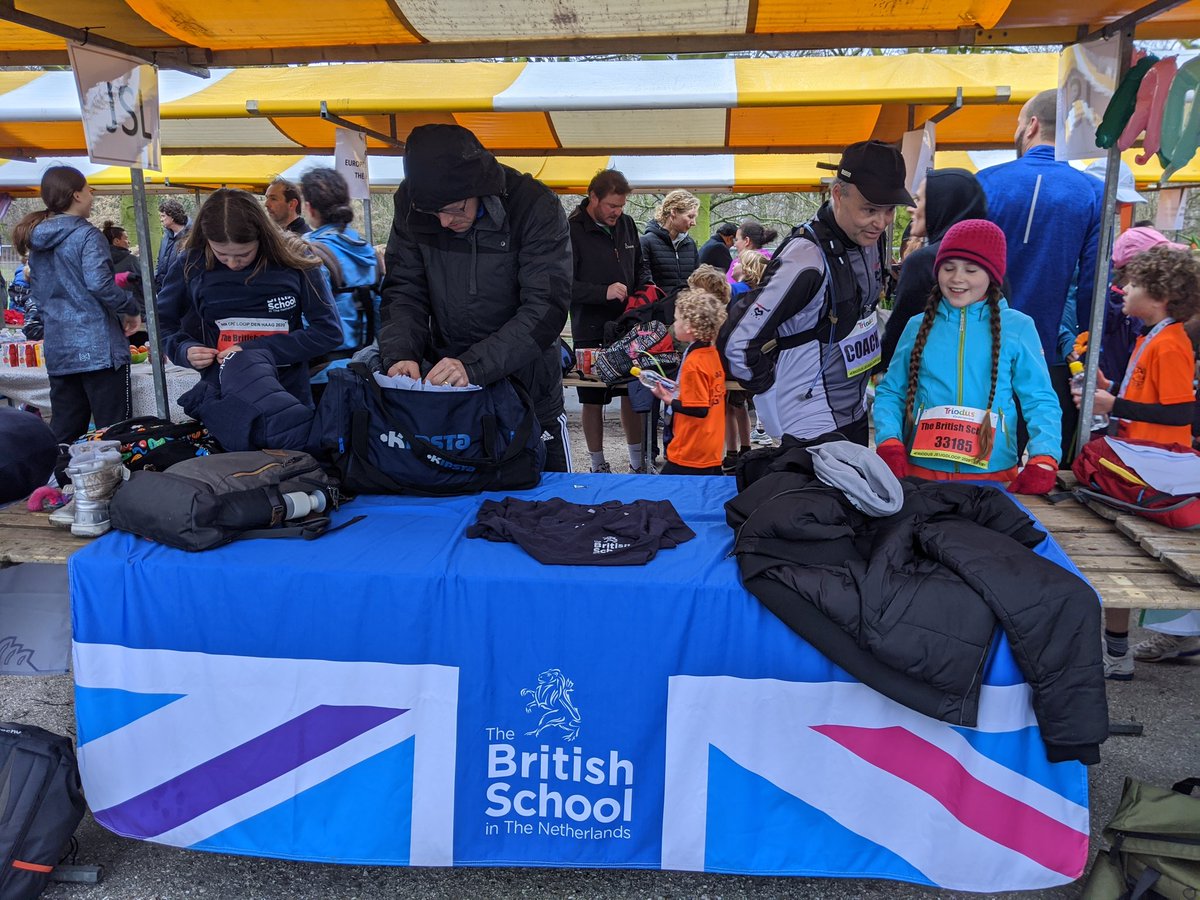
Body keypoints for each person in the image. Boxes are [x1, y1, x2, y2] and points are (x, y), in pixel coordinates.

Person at [378, 123, 573, 472]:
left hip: (529, 391)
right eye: (433, 212)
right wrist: (400, 353)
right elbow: (403, 289)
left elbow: (545, 309)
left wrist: (473, 366)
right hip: (451, 393)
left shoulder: (534, 205)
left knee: (547, 502)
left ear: (479, 188)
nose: (443, 222)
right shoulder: (411, 205)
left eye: (454, 209)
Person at [721, 140, 911, 445]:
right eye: (870, 209)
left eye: (890, 210)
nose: (881, 221)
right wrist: (769, 397)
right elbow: (738, 342)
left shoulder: (869, 238)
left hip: (853, 408)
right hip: (808, 423)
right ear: (838, 194)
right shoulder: (805, 258)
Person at [1080, 245, 1200, 678]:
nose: (1123, 289)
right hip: (1141, 464)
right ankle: (1116, 652)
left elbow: (1181, 412)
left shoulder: (1169, 343)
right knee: (1121, 564)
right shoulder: (1153, 336)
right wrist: (1112, 389)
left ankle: (1119, 653)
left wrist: (1115, 404)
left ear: (1160, 295)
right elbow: (1151, 396)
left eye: (1132, 284)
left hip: (1155, 471)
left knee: (1127, 565)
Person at [874, 219, 1061, 493]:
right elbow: (891, 391)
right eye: (948, 268)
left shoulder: (1018, 327)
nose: (957, 278)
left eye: (971, 270)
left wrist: (1044, 457)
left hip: (993, 476)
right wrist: (889, 440)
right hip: (921, 474)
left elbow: (1040, 399)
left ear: (992, 275)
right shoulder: (917, 325)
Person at [976, 89, 1103, 462]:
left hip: (985, 343)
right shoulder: (1093, 192)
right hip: (1050, 351)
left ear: (1031, 125)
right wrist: (1085, 350)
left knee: (982, 456)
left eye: (1019, 124)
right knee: (1047, 457)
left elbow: (956, 267)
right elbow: (1093, 288)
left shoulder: (985, 181)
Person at [156, 188, 343, 407]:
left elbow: (328, 332)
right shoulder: (191, 262)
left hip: (288, 394)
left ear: (262, 237)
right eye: (222, 255)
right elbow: (161, 322)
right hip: (225, 396)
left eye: (244, 254)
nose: (233, 263)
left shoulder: (296, 259)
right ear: (207, 241)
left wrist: (255, 350)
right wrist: (183, 349)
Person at [11, 166, 142, 443]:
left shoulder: (38, 240)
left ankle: (58, 481)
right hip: (98, 347)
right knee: (114, 431)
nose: (92, 196)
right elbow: (99, 284)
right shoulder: (86, 235)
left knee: (66, 430)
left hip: (59, 347)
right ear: (76, 195)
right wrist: (130, 307)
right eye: (88, 190)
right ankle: (114, 484)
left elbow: (41, 291)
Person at [569, 168, 654, 474]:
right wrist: (601, 292)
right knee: (593, 399)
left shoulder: (627, 225)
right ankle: (596, 464)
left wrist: (646, 288)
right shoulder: (570, 230)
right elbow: (562, 284)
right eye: (611, 206)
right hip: (589, 329)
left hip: (628, 328)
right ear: (593, 197)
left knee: (633, 394)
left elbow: (641, 265)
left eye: (621, 206)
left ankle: (638, 462)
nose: (617, 212)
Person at [881, 168, 988, 368]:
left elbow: (899, 335)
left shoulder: (924, 262)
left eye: (919, 200)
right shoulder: (989, 260)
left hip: (926, 383)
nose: (911, 208)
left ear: (941, 205)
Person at [300, 167, 380, 351]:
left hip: (321, 369)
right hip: (364, 364)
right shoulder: (368, 251)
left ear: (310, 208)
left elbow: (305, 320)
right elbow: (380, 315)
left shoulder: (309, 253)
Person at [650, 288, 727, 475]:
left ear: (689, 326)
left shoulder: (694, 363)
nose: (674, 324)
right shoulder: (712, 354)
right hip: (711, 447)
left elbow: (699, 409)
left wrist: (668, 399)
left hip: (691, 449)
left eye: (677, 319)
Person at [724, 249, 769, 468]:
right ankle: (746, 448)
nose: (735, 265)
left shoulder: (734, 291)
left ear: (747, 268)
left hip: (733, 360)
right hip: (757, 360)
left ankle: (732, 453)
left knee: (730, 408)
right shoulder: (766, 294)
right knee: (743, 406)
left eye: (739, 262)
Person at [640, 190, 699, 293]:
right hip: (658, 307)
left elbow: (697, 281)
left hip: (687, 307)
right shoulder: (646, 242)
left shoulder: (690, 244)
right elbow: (644, 284)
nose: (693, 223)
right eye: (690, 216)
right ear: (673, 212)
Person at [155, 199, 191, 291]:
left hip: (182, 289)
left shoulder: (191, 236)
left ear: (172, 216)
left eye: (163, 216)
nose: (161, 219)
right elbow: (160, 261)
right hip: (163, 288)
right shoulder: (166, 236)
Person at [727, 220, 777, 285]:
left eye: (736, 240)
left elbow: (727, 290)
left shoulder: (739, 263)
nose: (735, 244)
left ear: (747, 241)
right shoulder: (772, 260)